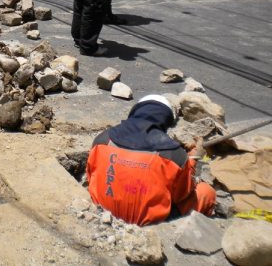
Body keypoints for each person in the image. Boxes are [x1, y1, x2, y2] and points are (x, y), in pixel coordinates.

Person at [86, 94, 216, 226]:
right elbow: (182, 195)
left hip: (103, 212)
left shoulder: (102, 140)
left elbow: (91, 176)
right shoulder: (174, 155)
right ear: (165, 121)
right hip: (149, 224)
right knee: (206, 193)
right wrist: (193, 158)